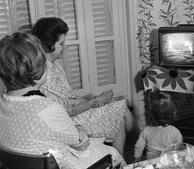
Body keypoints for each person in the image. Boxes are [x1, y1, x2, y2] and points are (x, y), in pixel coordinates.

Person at [0, 32, 125, 169]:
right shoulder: (48, 108)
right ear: (37, 74)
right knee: (112, 153)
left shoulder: (4, 104)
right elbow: (77, 140)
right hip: (62, 165)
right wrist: (78, 129)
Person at [31, 17, 134, 155]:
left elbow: (68, 96)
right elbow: (65, 111)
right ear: (48, 44)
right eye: (61, 43)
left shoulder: (55, 65)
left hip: (73, 114)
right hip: (68, 123)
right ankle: (143, 143)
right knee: (121, 111)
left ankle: (130, 152)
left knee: (119, 108)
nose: (65, 46)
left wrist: (92, 99)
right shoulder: (45, 75)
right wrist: (93, 102)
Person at [134, 88, 183, 161]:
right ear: (172, 115)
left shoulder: (146, 130)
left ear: (151, 114)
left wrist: (137, 157)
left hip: (151, 160)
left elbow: (139, 146)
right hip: (168, 160)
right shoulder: (175, 131)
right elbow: (179, 147)